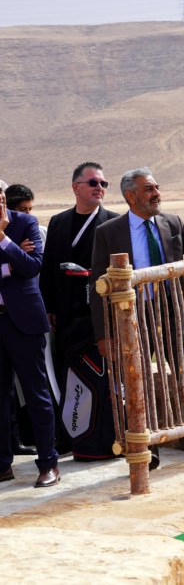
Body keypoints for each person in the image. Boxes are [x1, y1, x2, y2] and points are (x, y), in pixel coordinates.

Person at [89, 167, 184, 461]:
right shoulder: (108, 232)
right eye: (149, 189)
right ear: (130, 196)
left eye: (156, 188)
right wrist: (103, 335)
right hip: (133, 316)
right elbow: (97, 285)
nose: (156, 194)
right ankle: (148, 448)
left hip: (174, 313)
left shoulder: (172, 223)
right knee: (139, 382)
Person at [41, 163, 120, 461]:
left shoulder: (113, 222)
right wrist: (49, 307)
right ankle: (71, 436)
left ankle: (104, 439)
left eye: (103, 183)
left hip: (99, 317)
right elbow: (49, 268)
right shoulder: (59, 222)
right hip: (66, 315)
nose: (100, 188)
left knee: (103, 377)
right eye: (93, 182)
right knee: (68, 374)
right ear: (75, 187)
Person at [0, 183, 61, 487]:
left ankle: (48, 463)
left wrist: (2, 239)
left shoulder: (25, 222)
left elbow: (33, 266)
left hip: (23, 321)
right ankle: (2, 464)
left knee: (36, 394)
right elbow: (18, 267)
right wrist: (9, 265)